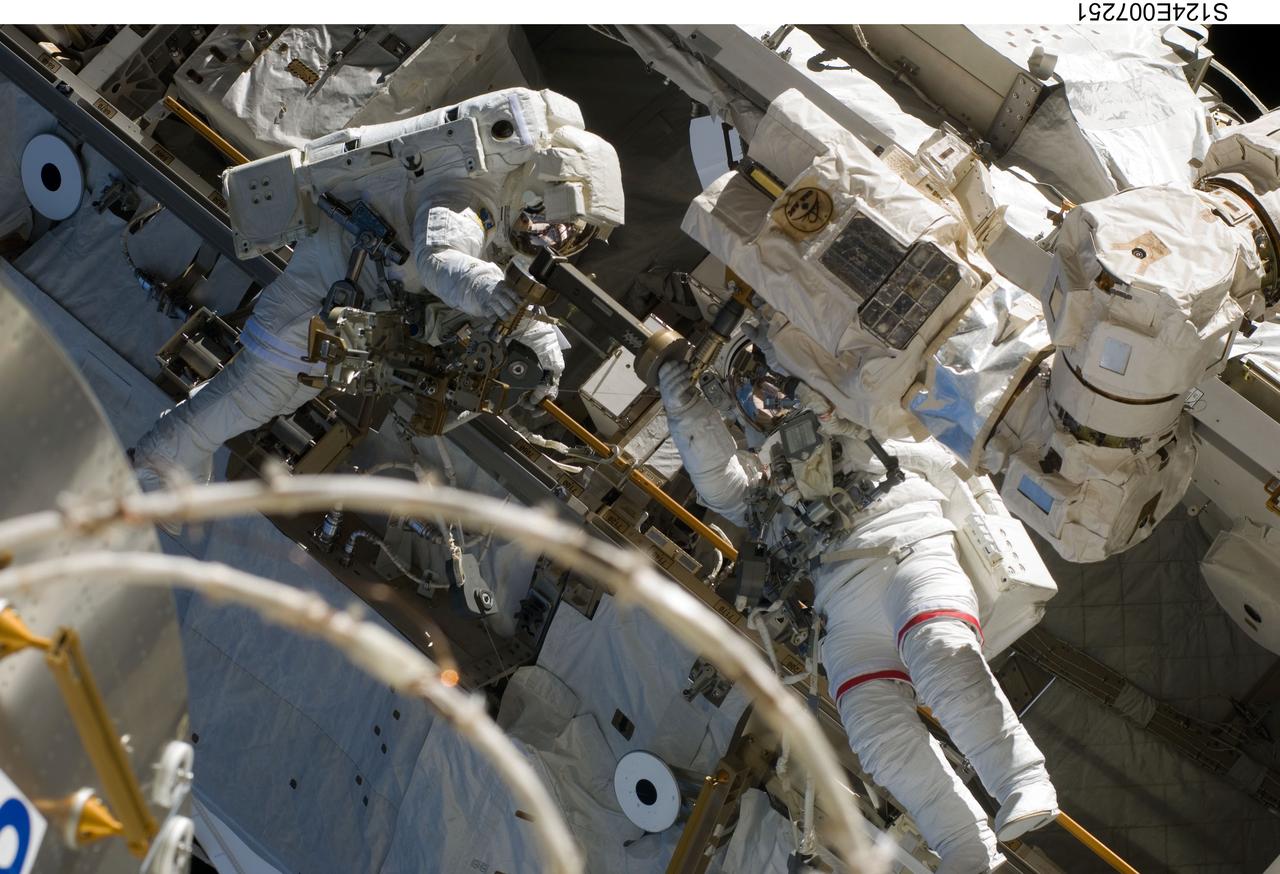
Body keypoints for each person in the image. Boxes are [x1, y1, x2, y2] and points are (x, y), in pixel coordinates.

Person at [657, 353, 1058, 873]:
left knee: (939, 653)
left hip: (909, 549)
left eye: (772, 387)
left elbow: (939, 454)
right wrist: (683, 405)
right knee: (875, 735)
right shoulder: (769, 492)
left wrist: (853, 420)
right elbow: (716, 479)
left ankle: (1022, 780)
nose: (768, 400)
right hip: (844, 608)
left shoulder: (868, 419)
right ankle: (966, 848)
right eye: (753, 395)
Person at [132, 87, 623, 488]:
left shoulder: (500, 206)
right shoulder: (467, 194)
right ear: (539, 188)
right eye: (554, 225)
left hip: (345, 308)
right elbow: (441, 259)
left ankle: (181, 455)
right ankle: (158, 463)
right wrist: (486, 286)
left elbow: (501, 285)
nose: (550, 240)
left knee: (274, 399)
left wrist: (540, 342)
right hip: (318, 298)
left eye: (567, 237)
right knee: (253, 395)